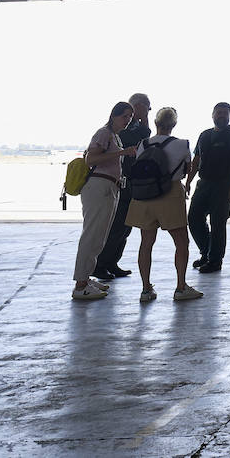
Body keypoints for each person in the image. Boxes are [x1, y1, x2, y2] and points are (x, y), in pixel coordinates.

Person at [126, 106, 202, 302]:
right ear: (174, 125)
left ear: (156, 123)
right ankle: (180, 287)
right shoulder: (183, 144)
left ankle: (145, 289)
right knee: (181, 243)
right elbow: (187, 169)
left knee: (146, 243)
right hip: (171, 193)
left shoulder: (143, 144)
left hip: (145, 195)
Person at [72, 101, 139, 300]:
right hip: (99, 186)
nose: (127, 120)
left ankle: (86, 277)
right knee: (92, 234)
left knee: (100, 236)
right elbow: (91, 159)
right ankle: (80, 283)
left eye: (130, 117)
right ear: (114, 115)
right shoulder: (104, 134)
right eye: (124, 116)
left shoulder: (114, 137)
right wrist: (122, 152)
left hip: (110, 187)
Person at [185, 102, 230, 274]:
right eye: (219, 112)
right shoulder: (204, 135)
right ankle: (206, 252)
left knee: (218, 223)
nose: (222, 115)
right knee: (194, 218)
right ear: (212, 115)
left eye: (225, 113)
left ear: (229, 115)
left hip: (224, 185)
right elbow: (196, 160)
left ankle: (215, 261)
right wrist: (188, 181)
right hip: (204, 183)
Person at [95, 92, 151, 280]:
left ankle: (112, 262)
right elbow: (142, 138)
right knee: (116, 226)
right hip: (119, 183)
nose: (148, 112)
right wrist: (143, 120)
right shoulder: (121, 128)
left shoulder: (135, 127)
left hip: (131, 183)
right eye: (146, 107)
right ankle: (101, 264)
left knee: (126, 227)